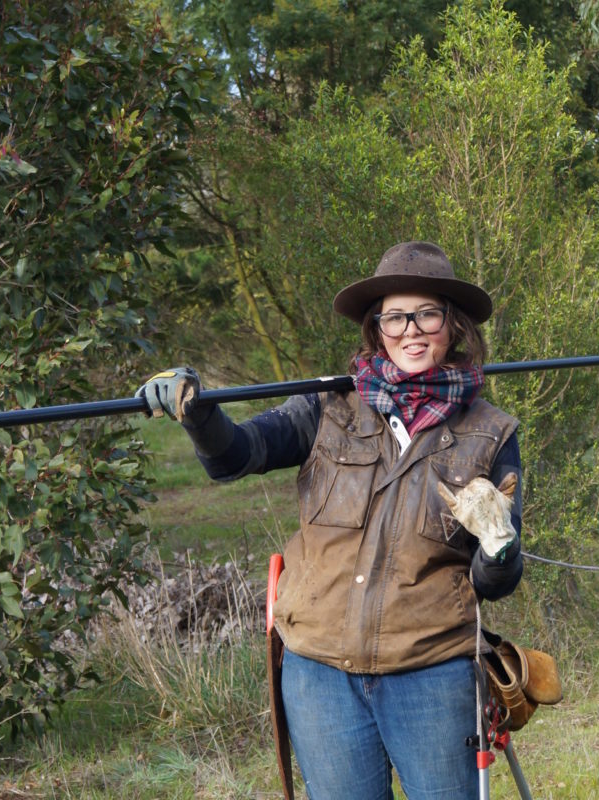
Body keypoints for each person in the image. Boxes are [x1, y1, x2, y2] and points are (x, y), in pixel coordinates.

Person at [136, 241, 524, 800]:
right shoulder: (327, 408)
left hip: (432, 674)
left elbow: (498, 583)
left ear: (454, 325)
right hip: (319, 676)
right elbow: (235, 456)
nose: (411, 330)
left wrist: (499, 544)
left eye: (428, 314)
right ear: (376, 329)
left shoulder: (492, 433)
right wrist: (199, 413)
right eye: (395, 316)